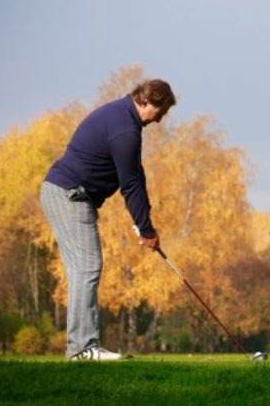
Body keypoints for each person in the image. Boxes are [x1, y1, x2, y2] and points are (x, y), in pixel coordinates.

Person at [40, 79, 176, 360]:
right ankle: (82, 348)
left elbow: (136, 175)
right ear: (147, 101)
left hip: (65, 193)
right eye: (160, 111)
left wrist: (143, 223)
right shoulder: (126, 129)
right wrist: (148, 230)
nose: (160, 119)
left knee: (82, 270)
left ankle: (80, 348)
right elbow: (130, 186)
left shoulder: (122, 117)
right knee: (88, 267)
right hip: (69, 195)